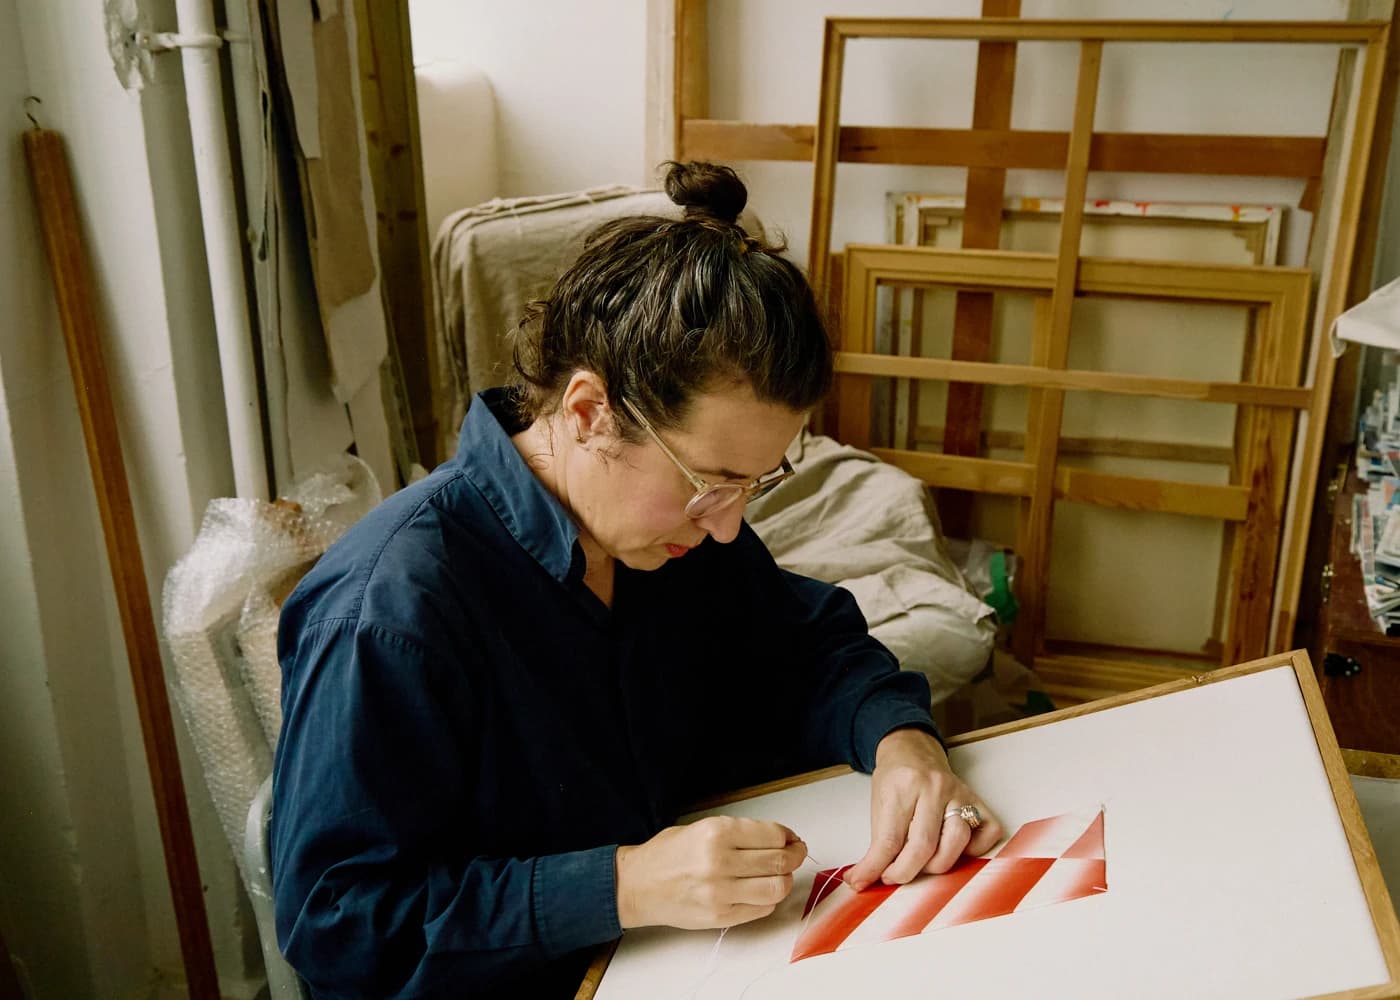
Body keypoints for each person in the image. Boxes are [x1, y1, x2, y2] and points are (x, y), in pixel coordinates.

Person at [271, 161, 1002, 999]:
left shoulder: (670, 537)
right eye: (710, 481)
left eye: (754, 485)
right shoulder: (389, 612)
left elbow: (805, 646)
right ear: (588, 414)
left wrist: (900, 743)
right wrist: (624, 885)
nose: (728, 524)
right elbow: (339, 925)